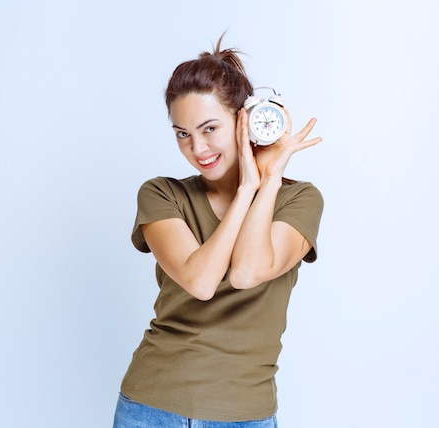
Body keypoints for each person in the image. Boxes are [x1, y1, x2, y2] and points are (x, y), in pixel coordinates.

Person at [113, 34, 324, 427]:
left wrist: (268, 180)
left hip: (245, 415)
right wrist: (247, 187)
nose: (197, 148)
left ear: (243, 122)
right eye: (182, 133)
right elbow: (201, 281)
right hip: (152, 407)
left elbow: (247, 271)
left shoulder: (299, 200)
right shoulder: (162, 195)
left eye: (209, 128)